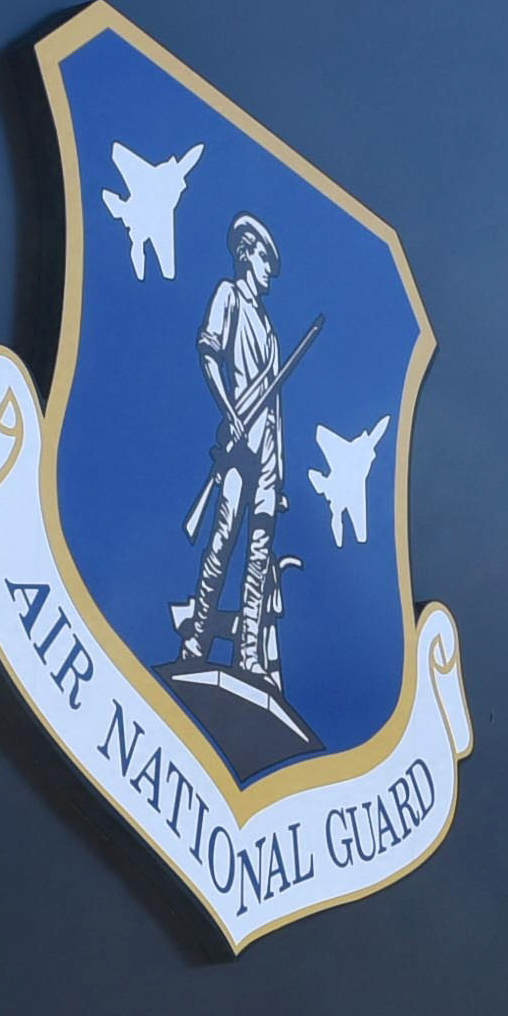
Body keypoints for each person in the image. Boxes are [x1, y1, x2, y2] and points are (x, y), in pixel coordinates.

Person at [170, 213, 291, 695]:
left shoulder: (272, 331)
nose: (269, 273)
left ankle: (248, 656)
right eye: (264, 261)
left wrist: (279, 473)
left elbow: (276, 408)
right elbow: (208, 353)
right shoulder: (229, 296)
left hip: (267, 455)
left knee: (259, 554)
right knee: (221, 542)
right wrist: (229, 412)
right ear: (246, 255)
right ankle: (196, 640)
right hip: (239, 448)